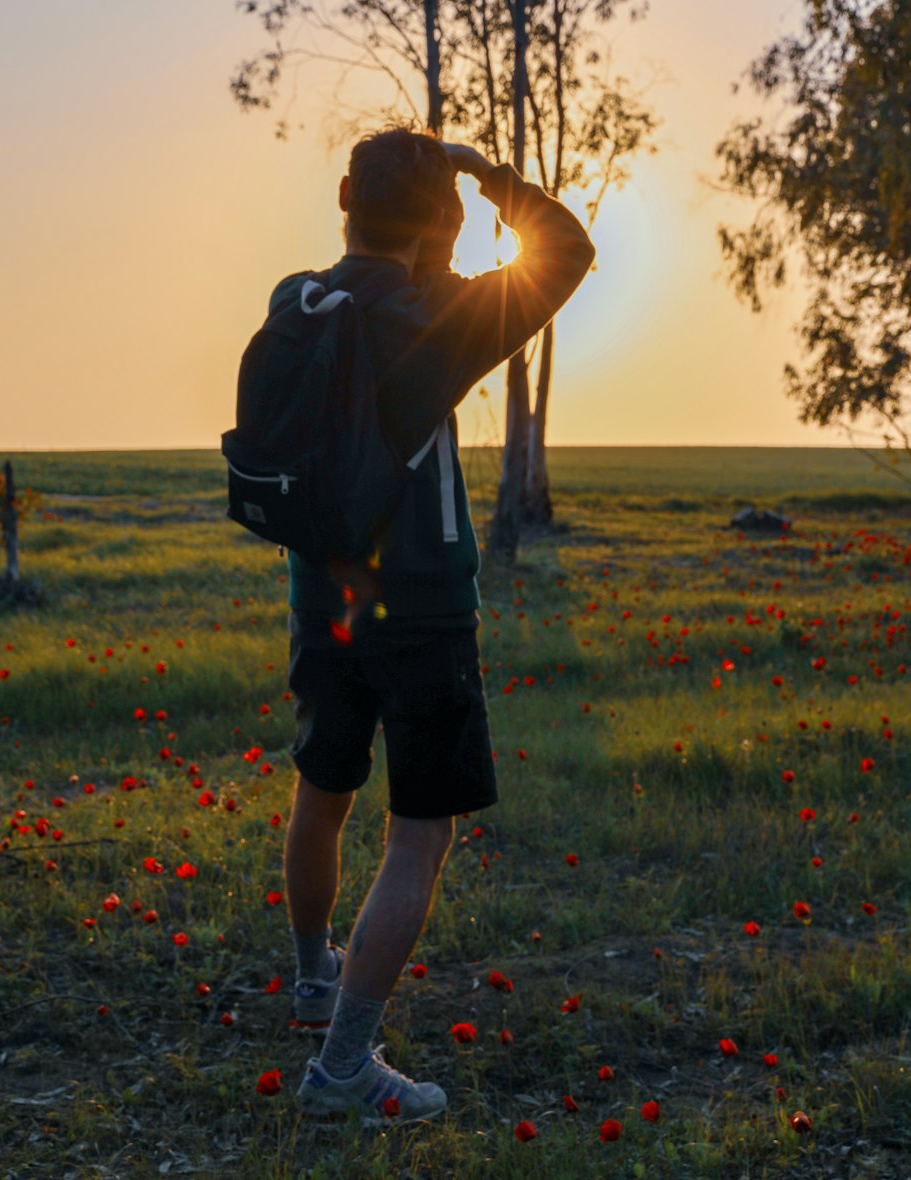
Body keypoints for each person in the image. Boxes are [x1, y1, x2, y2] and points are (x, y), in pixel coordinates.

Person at [280, 128, 596, 1125]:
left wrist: (430, 212)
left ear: (343, 200)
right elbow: (569, 251)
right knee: (420, 835)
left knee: (323, 789)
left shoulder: (299, 298)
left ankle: (310, 976)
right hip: (419, 611)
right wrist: (483, 174)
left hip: (324, 598)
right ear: (444, 227)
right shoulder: (445, 315)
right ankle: (341, 1067)